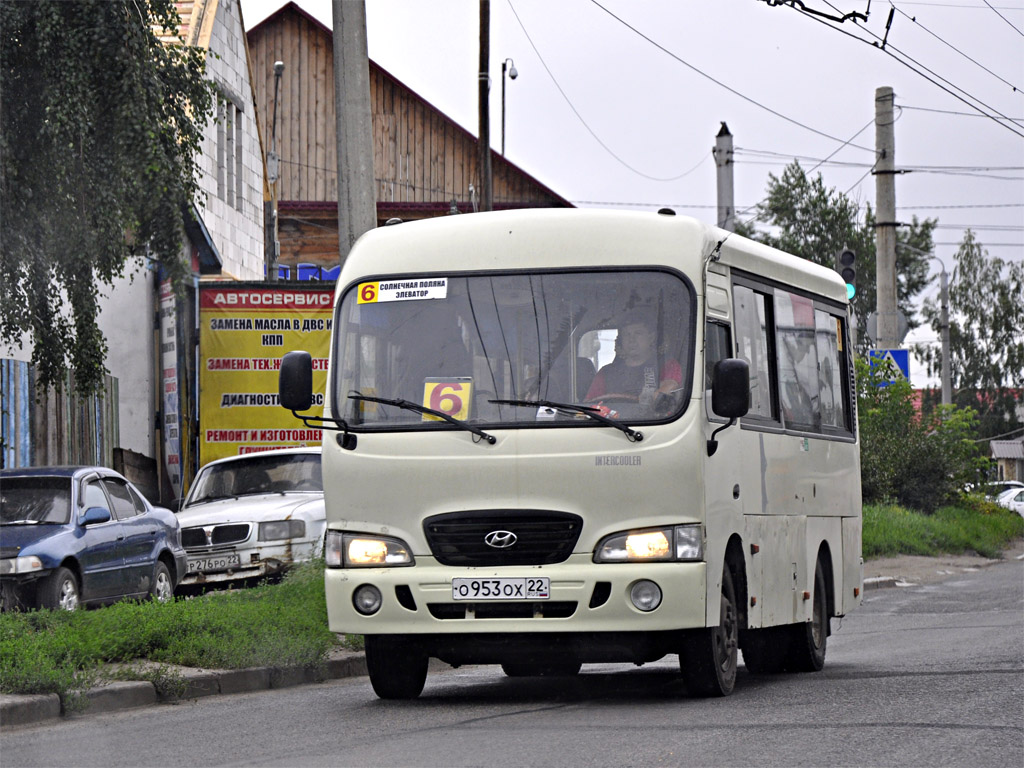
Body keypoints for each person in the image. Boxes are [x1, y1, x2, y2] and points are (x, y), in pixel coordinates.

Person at [585, 311, 681, 407]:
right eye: (627, 334)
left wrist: (655, 396)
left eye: (638, 333)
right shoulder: (606, 372)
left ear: (651, 337)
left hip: (652, 420)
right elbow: (590, 404)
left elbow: (669, 387)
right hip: (609, 420)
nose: (631, 340)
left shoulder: (667, 365)